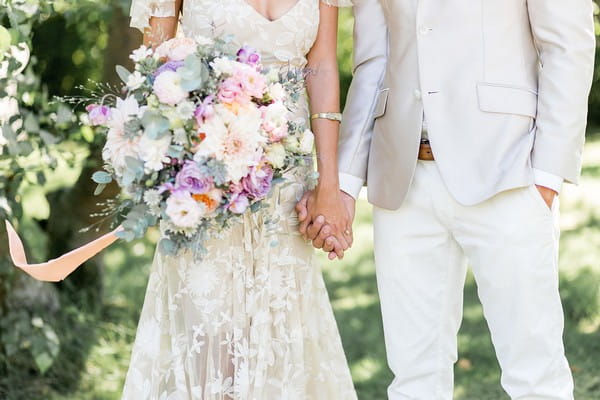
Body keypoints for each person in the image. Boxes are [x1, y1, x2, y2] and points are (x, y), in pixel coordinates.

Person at [298, 0, 596, 398]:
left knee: (535, 373)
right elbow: (373, 63)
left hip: (507, 173)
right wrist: (345, 184)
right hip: (403, 182)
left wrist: (545, 176)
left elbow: (568, 46)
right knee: (412, 377)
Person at [122, 0, 356, 398]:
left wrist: (328, 186)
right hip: (207, 182)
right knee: (209, 340)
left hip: (286, 180)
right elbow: (153, 74)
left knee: (280, 334)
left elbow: (322, 67)